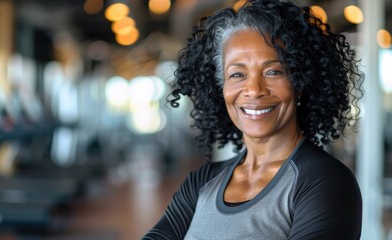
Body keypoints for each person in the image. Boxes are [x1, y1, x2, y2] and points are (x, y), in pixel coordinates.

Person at [143, 0, 364, 239]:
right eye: (237, 74)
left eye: (273, 72)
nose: (254, 90)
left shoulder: (325, 182)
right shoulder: (203, 181)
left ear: (299, 83)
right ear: (221, 88)